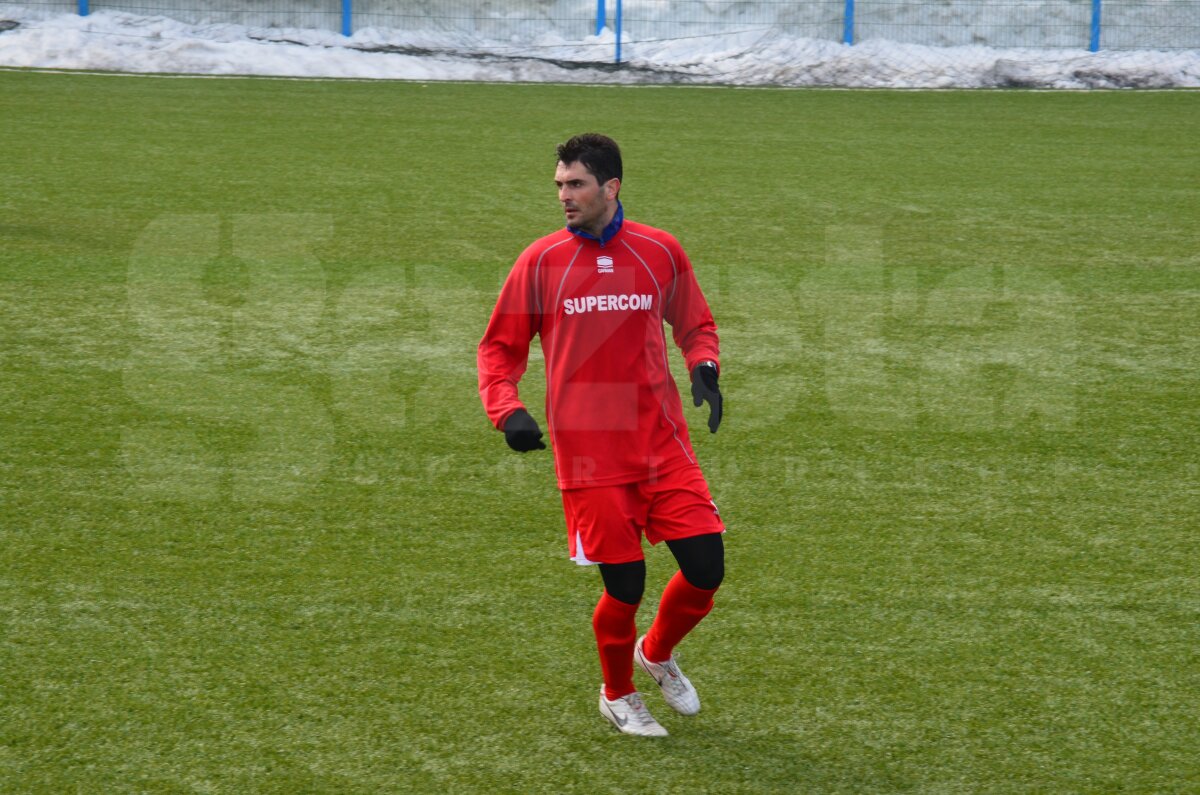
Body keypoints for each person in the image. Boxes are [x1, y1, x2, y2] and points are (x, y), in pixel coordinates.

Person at [477, 133, 726, 737]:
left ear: (611, 187)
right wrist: (507, 412)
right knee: (625, 583)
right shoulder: (539, 262)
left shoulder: (659, 250)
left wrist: (705, 366)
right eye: (560, 184)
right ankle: (617, 694)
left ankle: (657, 652)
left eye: (577, 184)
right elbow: (498, 350)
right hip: (590, 457)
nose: (565, 195)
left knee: (705, 568)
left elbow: (695, 321)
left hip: (662, 444)